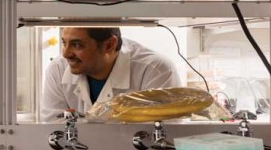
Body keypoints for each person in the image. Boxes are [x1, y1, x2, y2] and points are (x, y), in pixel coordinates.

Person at [41, 27, 182, 122]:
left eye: (77, 45)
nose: (66, 54)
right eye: (64, 43)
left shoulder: (155, 70)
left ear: (109, 45)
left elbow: (165, 132)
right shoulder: (58, 69)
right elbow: (53, 125)